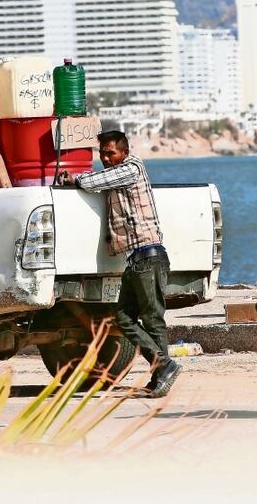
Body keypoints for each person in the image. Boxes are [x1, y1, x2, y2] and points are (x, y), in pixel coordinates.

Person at [57, 130, 181, 397]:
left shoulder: (132, 168)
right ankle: (163, 370)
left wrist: (74, 179)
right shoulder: (116, 175)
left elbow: (97, 181)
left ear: (124, 152)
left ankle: (164, 368)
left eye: (111, 153)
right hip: (137, 261)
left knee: (150, 319)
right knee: (127, 318)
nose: (106, 158)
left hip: (148, 257)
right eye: (102, 154)